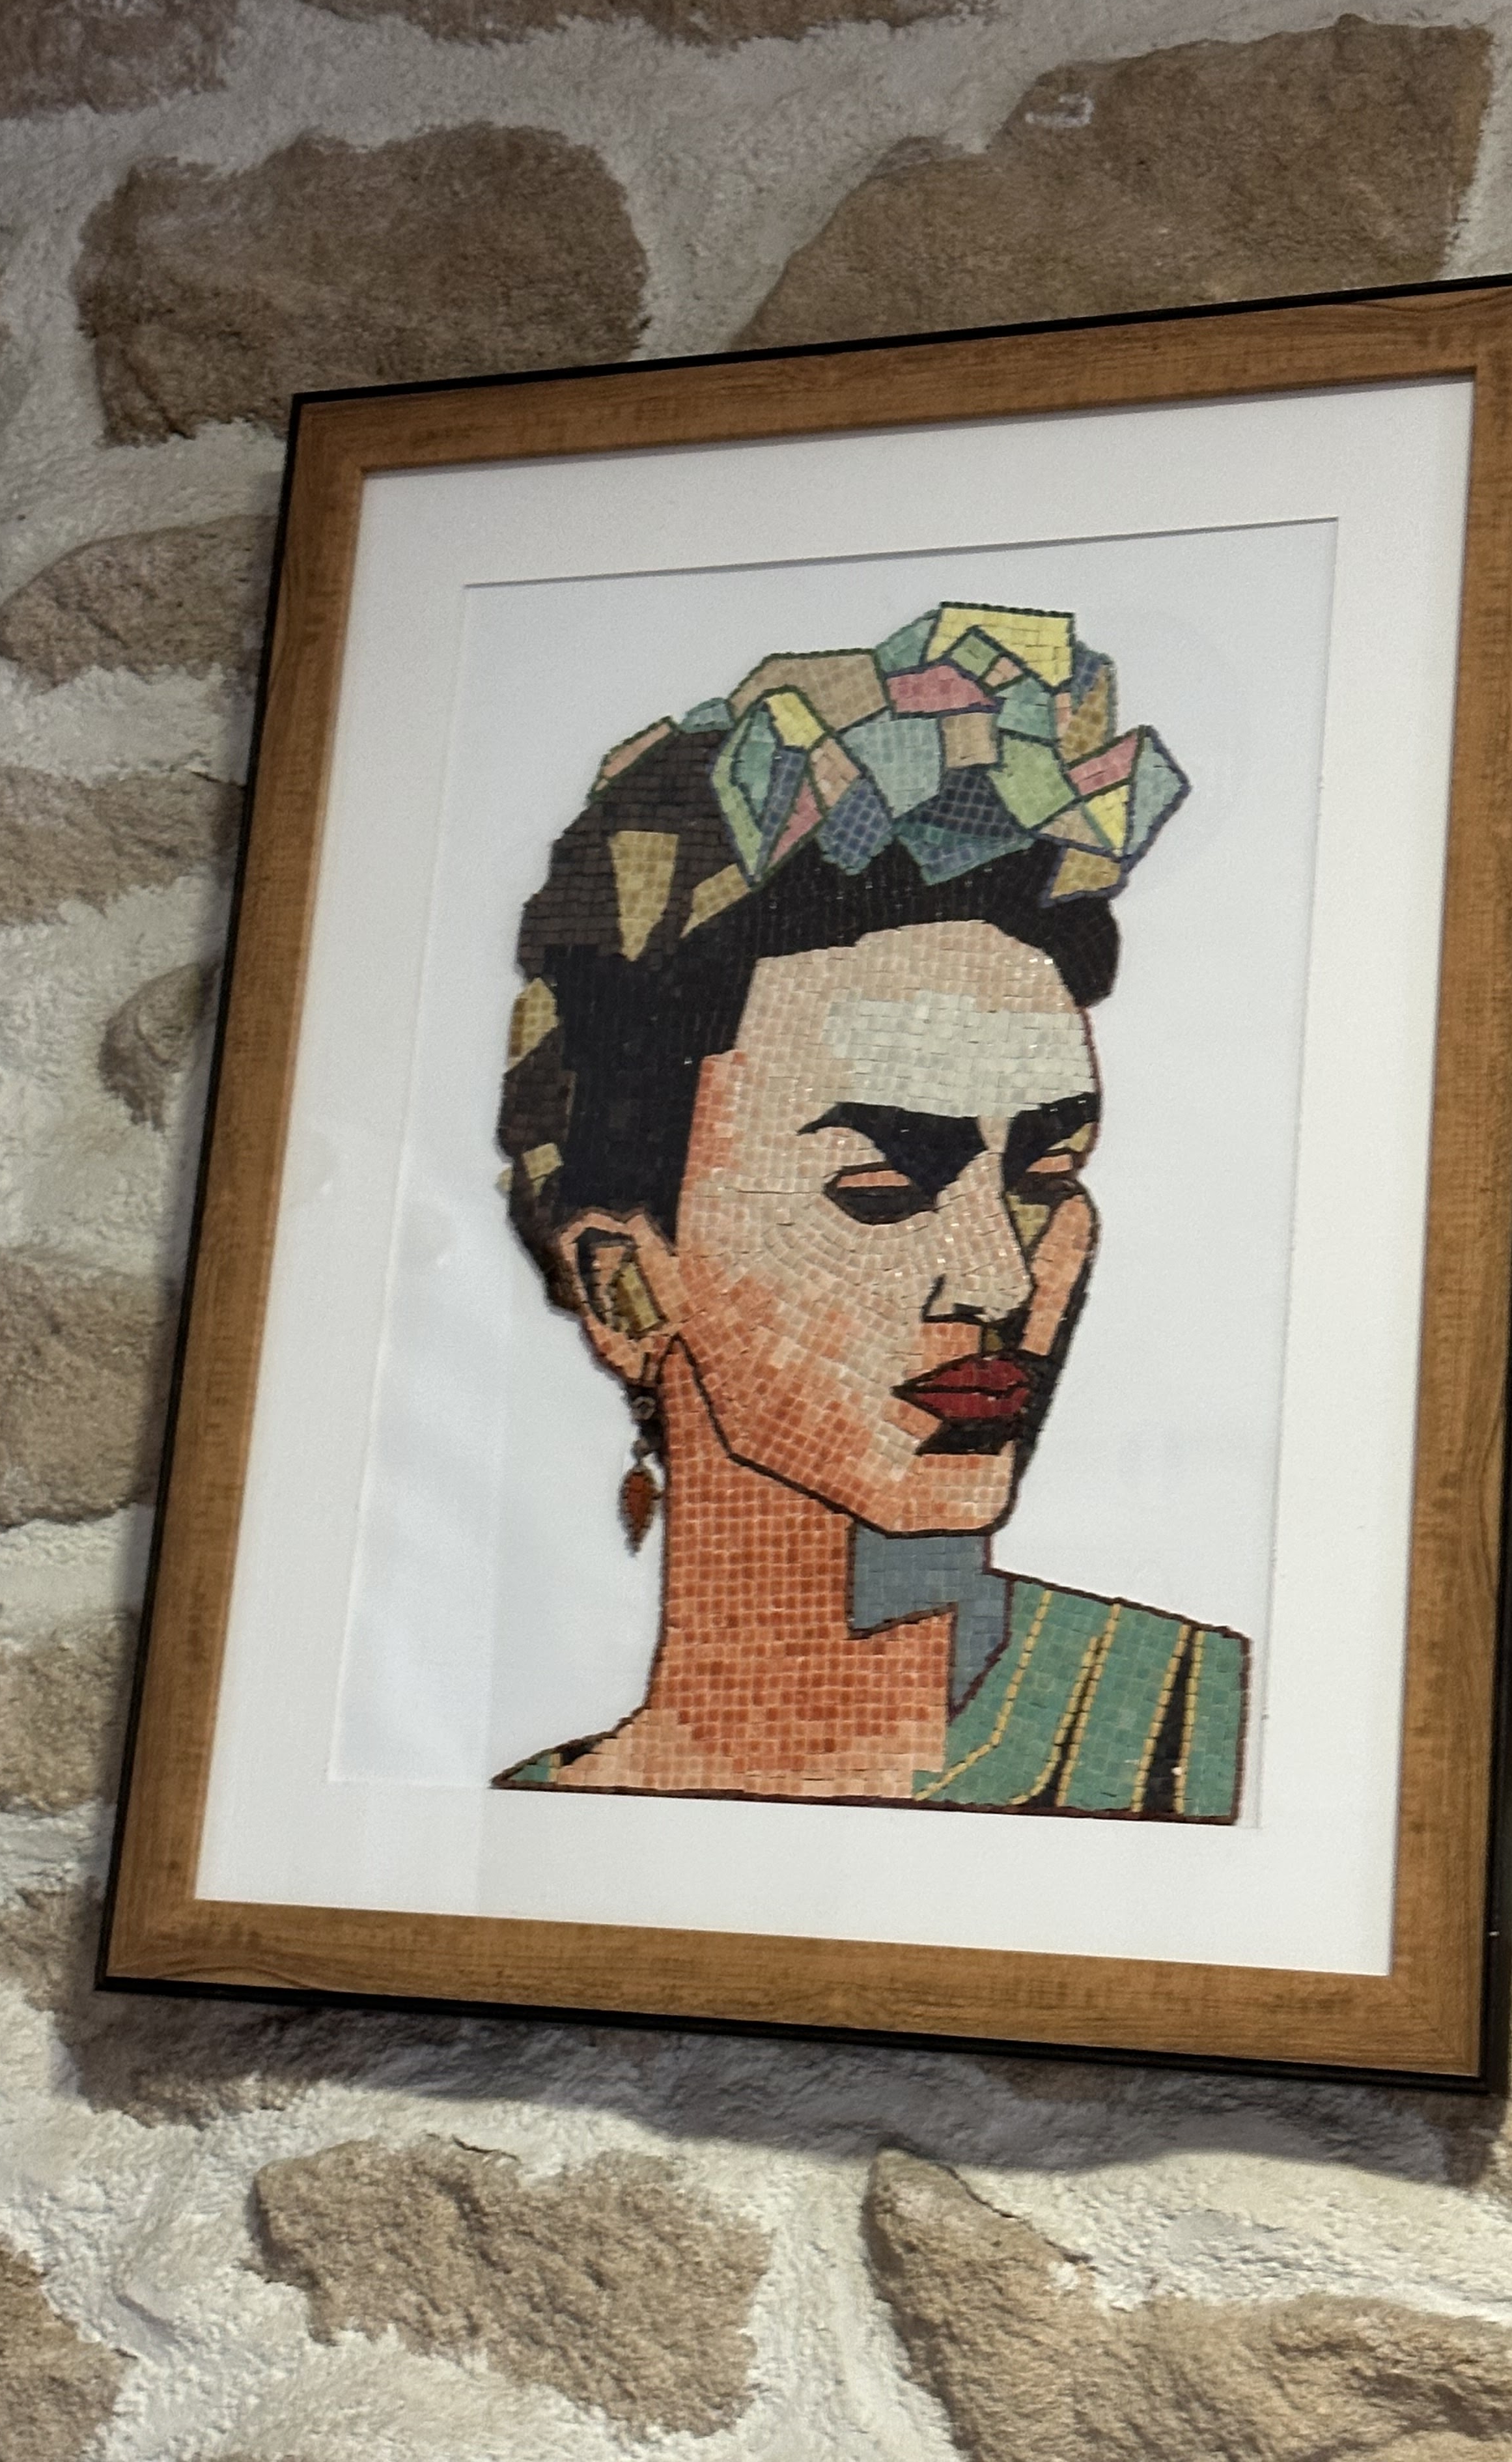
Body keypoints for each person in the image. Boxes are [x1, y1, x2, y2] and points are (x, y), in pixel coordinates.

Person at [494, 602, 1248, 1817]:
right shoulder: (530, 1814)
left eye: (1047, 1176)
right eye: (881, 1186)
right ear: (623, 1286)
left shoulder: (1216, 1740)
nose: (999, 1279)